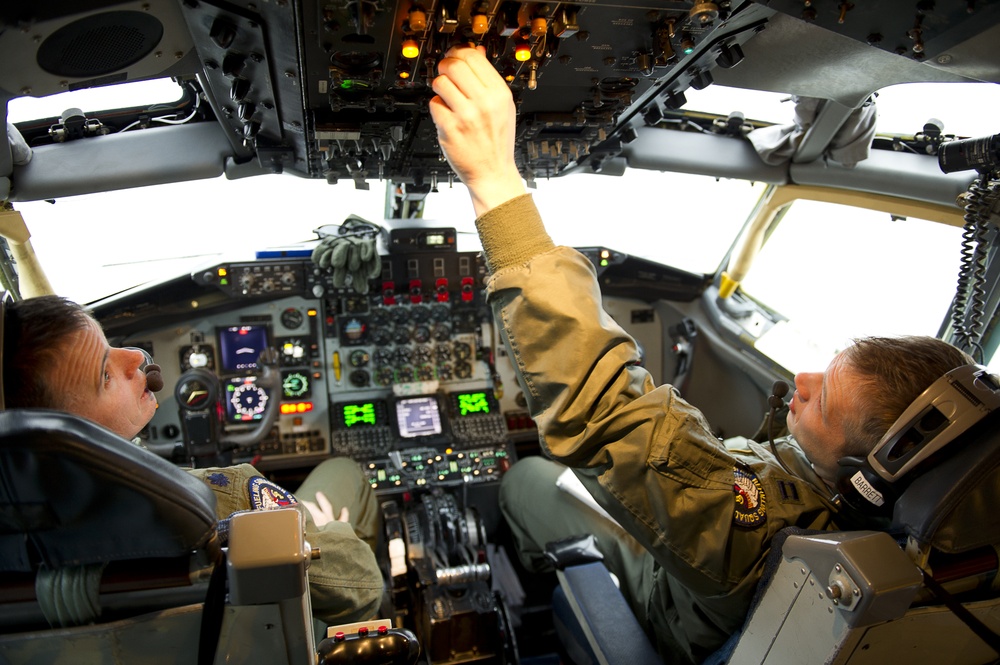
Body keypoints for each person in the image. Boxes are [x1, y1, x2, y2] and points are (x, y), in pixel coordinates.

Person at [428, 46, 976, 664]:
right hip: (715, 586)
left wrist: (495, 182)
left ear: (867, 475)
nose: (801, 378)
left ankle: (537, 596)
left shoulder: (763, 532)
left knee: (526, 478)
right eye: (826, 365)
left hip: (669, 605)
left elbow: (601, 410)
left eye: (823, 398)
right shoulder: (945, 531)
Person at [2, 294, 384, 627]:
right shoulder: (220, 499)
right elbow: (362, 586)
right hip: (277, 631)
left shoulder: (17, 542)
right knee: (344, 471)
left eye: (110, 343)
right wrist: (325, 526)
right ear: (64, 432)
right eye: (105, 375)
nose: (135, 357)